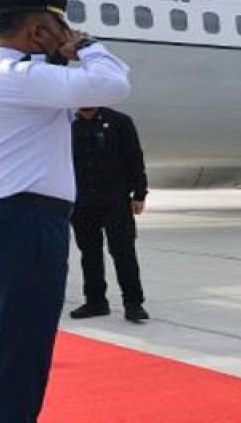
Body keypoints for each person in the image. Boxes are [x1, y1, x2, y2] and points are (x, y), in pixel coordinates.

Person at [0, 0, 131, 422]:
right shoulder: (24, 79)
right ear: (37, 32)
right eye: (60, 28)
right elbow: (114, 83)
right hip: (21, 224)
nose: (67, 36)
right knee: (19, 357)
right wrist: (86, 47)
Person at [68, 106, 150, 323]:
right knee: (89, 252)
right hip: (82, 201)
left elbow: (134, 157)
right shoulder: (68, 124)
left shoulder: (119, 121)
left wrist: (140, 193)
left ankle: (133, 303)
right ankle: (95, 301)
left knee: (123, 252)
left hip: (115, 200)